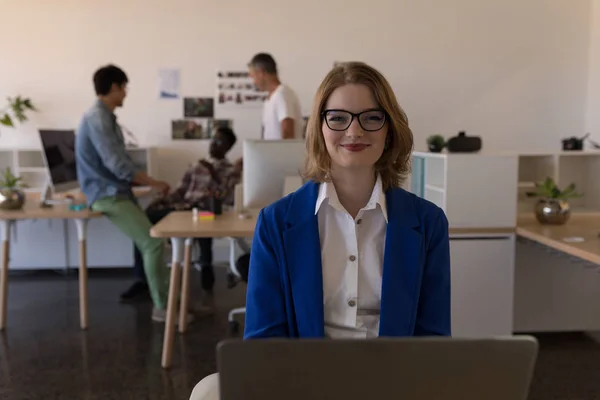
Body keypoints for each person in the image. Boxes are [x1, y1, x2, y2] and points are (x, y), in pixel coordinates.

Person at [189, 61, 451, 400]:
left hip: (393, 382)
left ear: (389, 130)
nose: (354, 132)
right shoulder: (276, 222)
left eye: (372, 117)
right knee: (207, 391)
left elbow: (433, 338)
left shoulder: (427, 222)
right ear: (320, 128)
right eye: (338, 118)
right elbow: (264, 338)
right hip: (302, 382)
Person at [75, 64, 178, 323]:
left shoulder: (105, 117)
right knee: (153, 243)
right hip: (107, 195)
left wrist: (145, 183)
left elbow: (118, 165)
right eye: (124, 88)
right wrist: (154, 183)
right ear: (114, 87)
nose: (126, 94)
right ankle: (163, 308)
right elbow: (117, 164)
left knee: (152, 239)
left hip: (116, 191)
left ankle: (172, 301)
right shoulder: (98, 118)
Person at [120, 127, 243, 311]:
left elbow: (226, 197)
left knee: (203, 220)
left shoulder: (231, 170)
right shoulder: (196, 165)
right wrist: (162, 200)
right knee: (143, 220)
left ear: (228, 147)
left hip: (206, 210)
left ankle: (205, 264)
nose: (213, 144)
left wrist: (227, 177)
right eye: (213, 140)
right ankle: (142, 278)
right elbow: (180, 191)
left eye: (219, 142)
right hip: (183, 207)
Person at [248, 53, 302, 140]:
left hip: (283, 154)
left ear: (261, 73)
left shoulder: (282, 94)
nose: (253, 82)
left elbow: (288, 134)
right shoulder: (270, 99)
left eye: (253, 76)